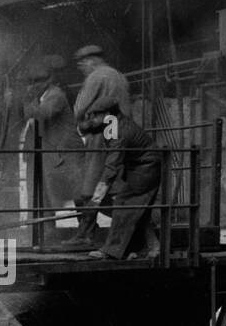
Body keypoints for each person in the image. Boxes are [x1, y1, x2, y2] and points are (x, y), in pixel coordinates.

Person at [81, 99, 162, 259]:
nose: (92, 119)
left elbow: (111, 168)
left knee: (123, 203)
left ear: (108, 115)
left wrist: (96, 199)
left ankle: (111, 251)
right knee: (140, 211)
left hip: (146, 168)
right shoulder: (114, 123)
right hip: (141, 166)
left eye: (95, 115)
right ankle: (153, 247)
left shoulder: (118, 131)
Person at [69, 45, 133, 246]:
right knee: (108, 185)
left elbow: (79, 109)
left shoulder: (96, 77)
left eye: (83, 63)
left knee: (89, 187)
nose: (82, 68)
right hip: (120, 134)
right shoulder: (120, 77)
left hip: (100, 135)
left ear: (92, 61)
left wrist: (84, 123)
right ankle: (91, 232)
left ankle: (86, 235)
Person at [24, 55, 81, 241]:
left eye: (38, 81)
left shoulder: (55, 94)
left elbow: (44, 113)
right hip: (53, 155)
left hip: (67, 153)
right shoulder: (42, 97)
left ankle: (88, 231)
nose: (33, 85)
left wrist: (27, 102)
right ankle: (50, 232)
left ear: (48, 81)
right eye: (31, 82)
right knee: (49, 194)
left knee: (78, 192)